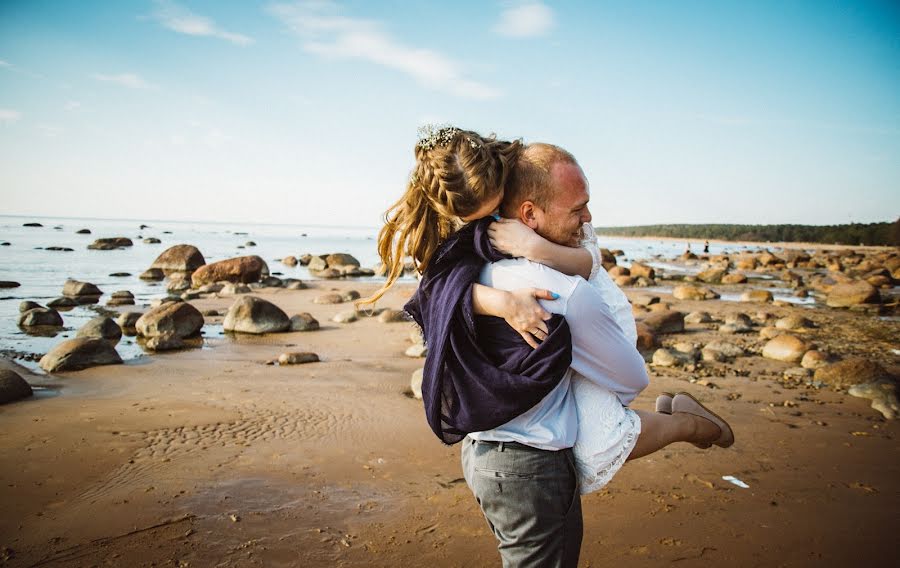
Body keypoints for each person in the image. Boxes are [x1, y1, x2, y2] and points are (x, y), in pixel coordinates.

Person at [366, 128, 734, 568]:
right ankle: (690, 427)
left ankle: (686, 425)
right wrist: (504, 303)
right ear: (527, 212)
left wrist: (520, 268)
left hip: (478, 455)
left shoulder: (471, 262)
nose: (589, 219)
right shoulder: (540, 287)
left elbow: (434, 294)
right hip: (528, 467)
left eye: (491, 218)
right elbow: (633, 377)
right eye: (578, 210)